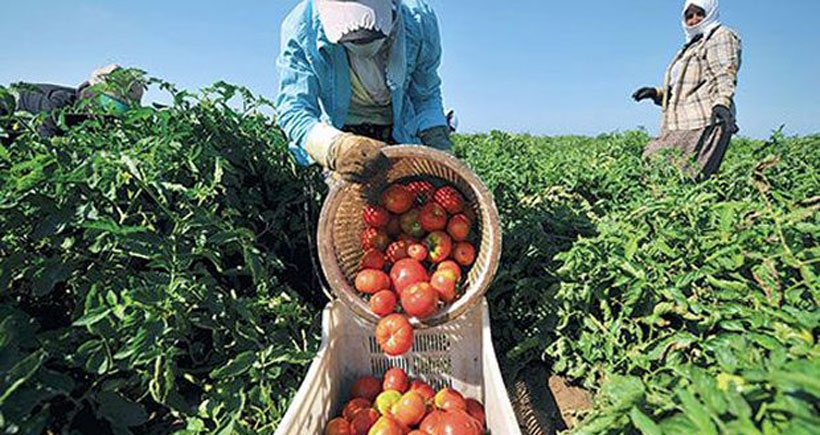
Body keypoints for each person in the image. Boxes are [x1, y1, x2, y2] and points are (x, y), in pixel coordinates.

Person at [275, 0, 453, 183]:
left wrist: (437, 140)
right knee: (352, 200)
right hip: (342, 130)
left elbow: (424, 95)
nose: (360, 38)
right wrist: (335, 147)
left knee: (404, 197)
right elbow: (294, 109)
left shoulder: (419, 20)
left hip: (400, 128)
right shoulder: (302, 26)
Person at [632, 0, 742, 179]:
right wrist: (657, 93)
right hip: (681, 122)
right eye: (689, 16)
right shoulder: (691, 44)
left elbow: (724, 73)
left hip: (704, 120)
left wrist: (722, 103)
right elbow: (684, 86)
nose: (694, 19)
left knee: (672, 173)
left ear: (711, 13)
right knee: (660, 171)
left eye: (700, 13)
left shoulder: (720, 36)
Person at [0, 64, 145, 141]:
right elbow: (45, 144)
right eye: (110, 105)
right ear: (94, 94)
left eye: (119, 110)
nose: (110, 114)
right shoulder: (59, 104)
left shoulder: (92, 116)